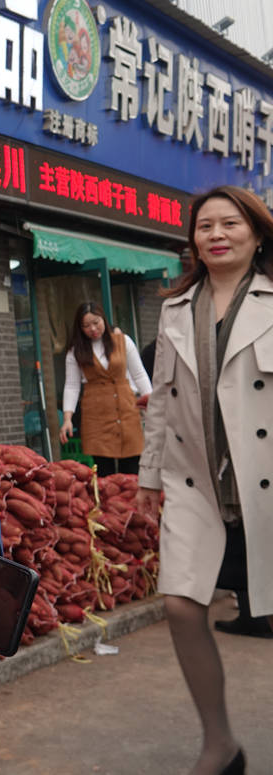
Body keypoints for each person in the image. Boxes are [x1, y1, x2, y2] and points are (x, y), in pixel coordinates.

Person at [136, 184, 273, 775]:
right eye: (205, 227)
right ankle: (219, 743)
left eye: (230, 225)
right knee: (182, 606)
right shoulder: (174, 309)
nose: (216, 235)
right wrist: (147, 476)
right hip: (196, 485)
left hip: (267, 483)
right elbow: (163, 400)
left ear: (258, 233)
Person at [58, 301, 151, 476]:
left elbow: (139, 374)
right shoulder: (75, 351)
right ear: (80, 328)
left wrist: (150, 399)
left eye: (96, 322)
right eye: (86, 326)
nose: (93, 329)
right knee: (103, 472)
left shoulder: (123, 341)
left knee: (132, 467)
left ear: (104, 320)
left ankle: (131, 503)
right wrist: (67, 418)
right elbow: (71, 386)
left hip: (125, 409)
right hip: (96, 415)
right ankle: (106, 503)